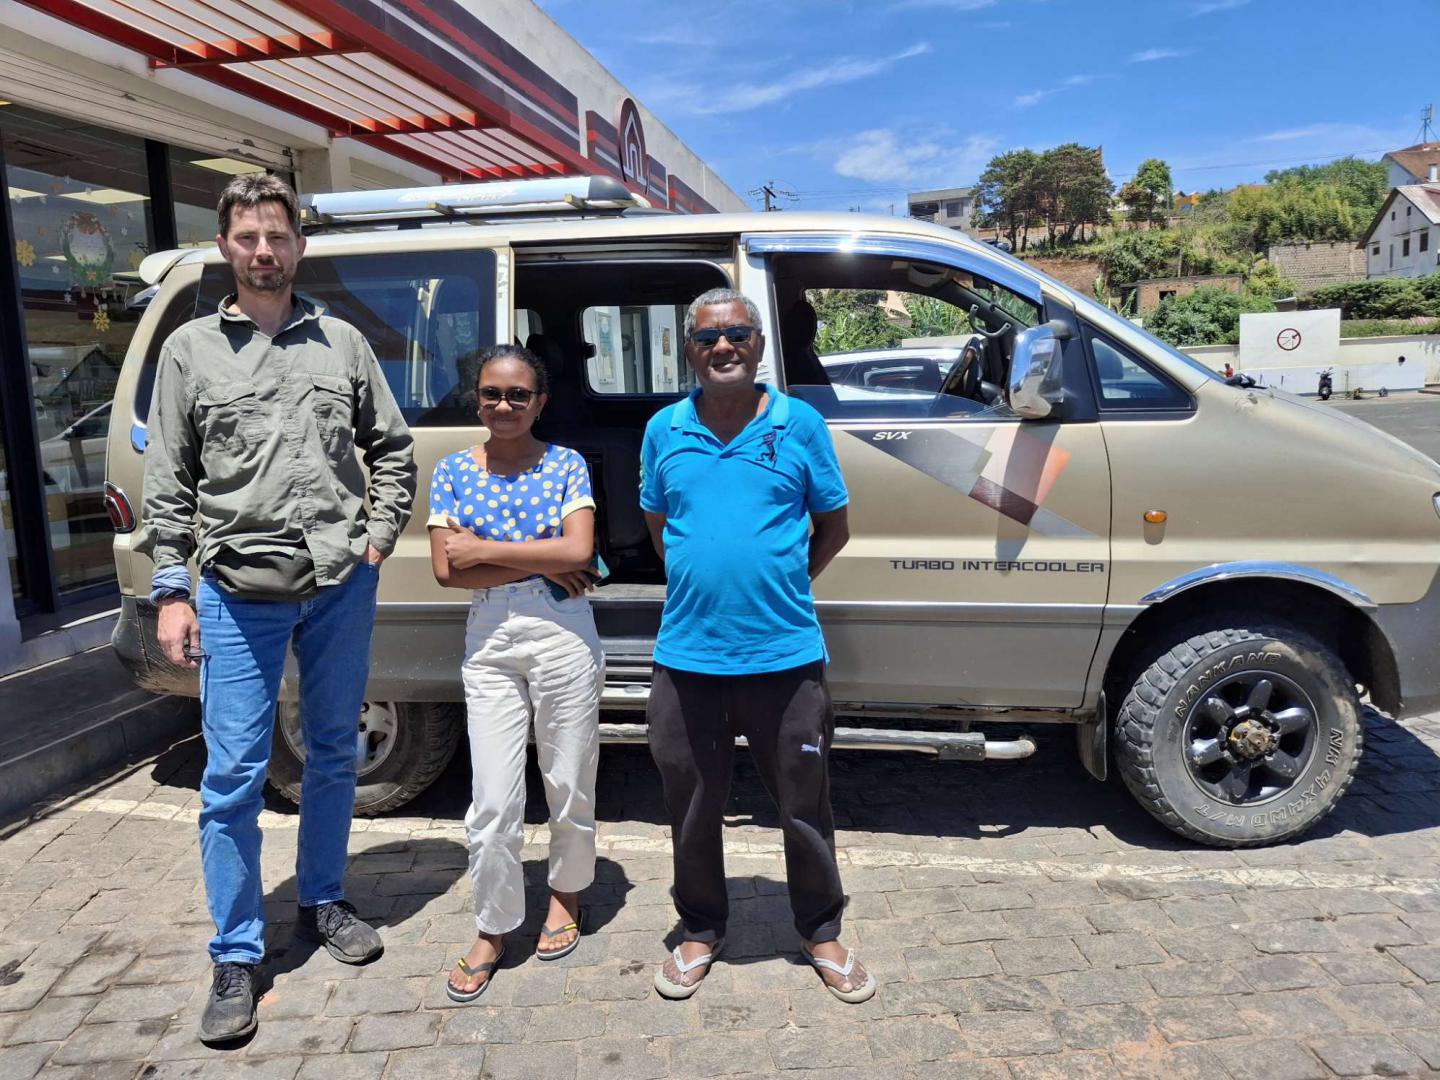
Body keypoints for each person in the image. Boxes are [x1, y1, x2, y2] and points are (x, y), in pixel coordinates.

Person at [138, 174, 416, 1044]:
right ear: (226, 245)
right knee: (232, 777)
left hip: (338, 586)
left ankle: (323, 900)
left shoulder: (342, 344)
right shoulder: (189, 352)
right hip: (233, 593)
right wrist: (172, 591)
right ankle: (235, 953)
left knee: (333, 752)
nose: (264, 251)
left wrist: (374, 543)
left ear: (299, 245)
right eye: (248, 237)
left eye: (278, 236)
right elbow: (168, 482)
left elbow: (392, 449)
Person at [641, 287, 875, 1004]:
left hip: (785, 657)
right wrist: (708, 581)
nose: (724, 347)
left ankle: (820, 929)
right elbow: (659, 526)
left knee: (804, 803)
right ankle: (700, 927)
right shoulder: (663, 430)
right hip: (687, 656)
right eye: (708, 337)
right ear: (689, 350)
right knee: (691, 805)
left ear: (760, 345)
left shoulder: (799, 424)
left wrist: (781, 584)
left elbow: (834, 526)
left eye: (738, 334)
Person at [427, 344, 603, 1003]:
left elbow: (580, 549)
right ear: (476, 400)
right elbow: (447, 572)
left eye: (518, 394)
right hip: (490, 633)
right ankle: (493, 926)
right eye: (492, 394)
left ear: (540, 402)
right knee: (494, 798)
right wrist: (544, 559)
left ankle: (566, 894)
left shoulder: (565, 464)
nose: (505, 405)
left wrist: (484, 549)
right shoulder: (451, 470)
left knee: (568, 778)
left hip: (563, 629)